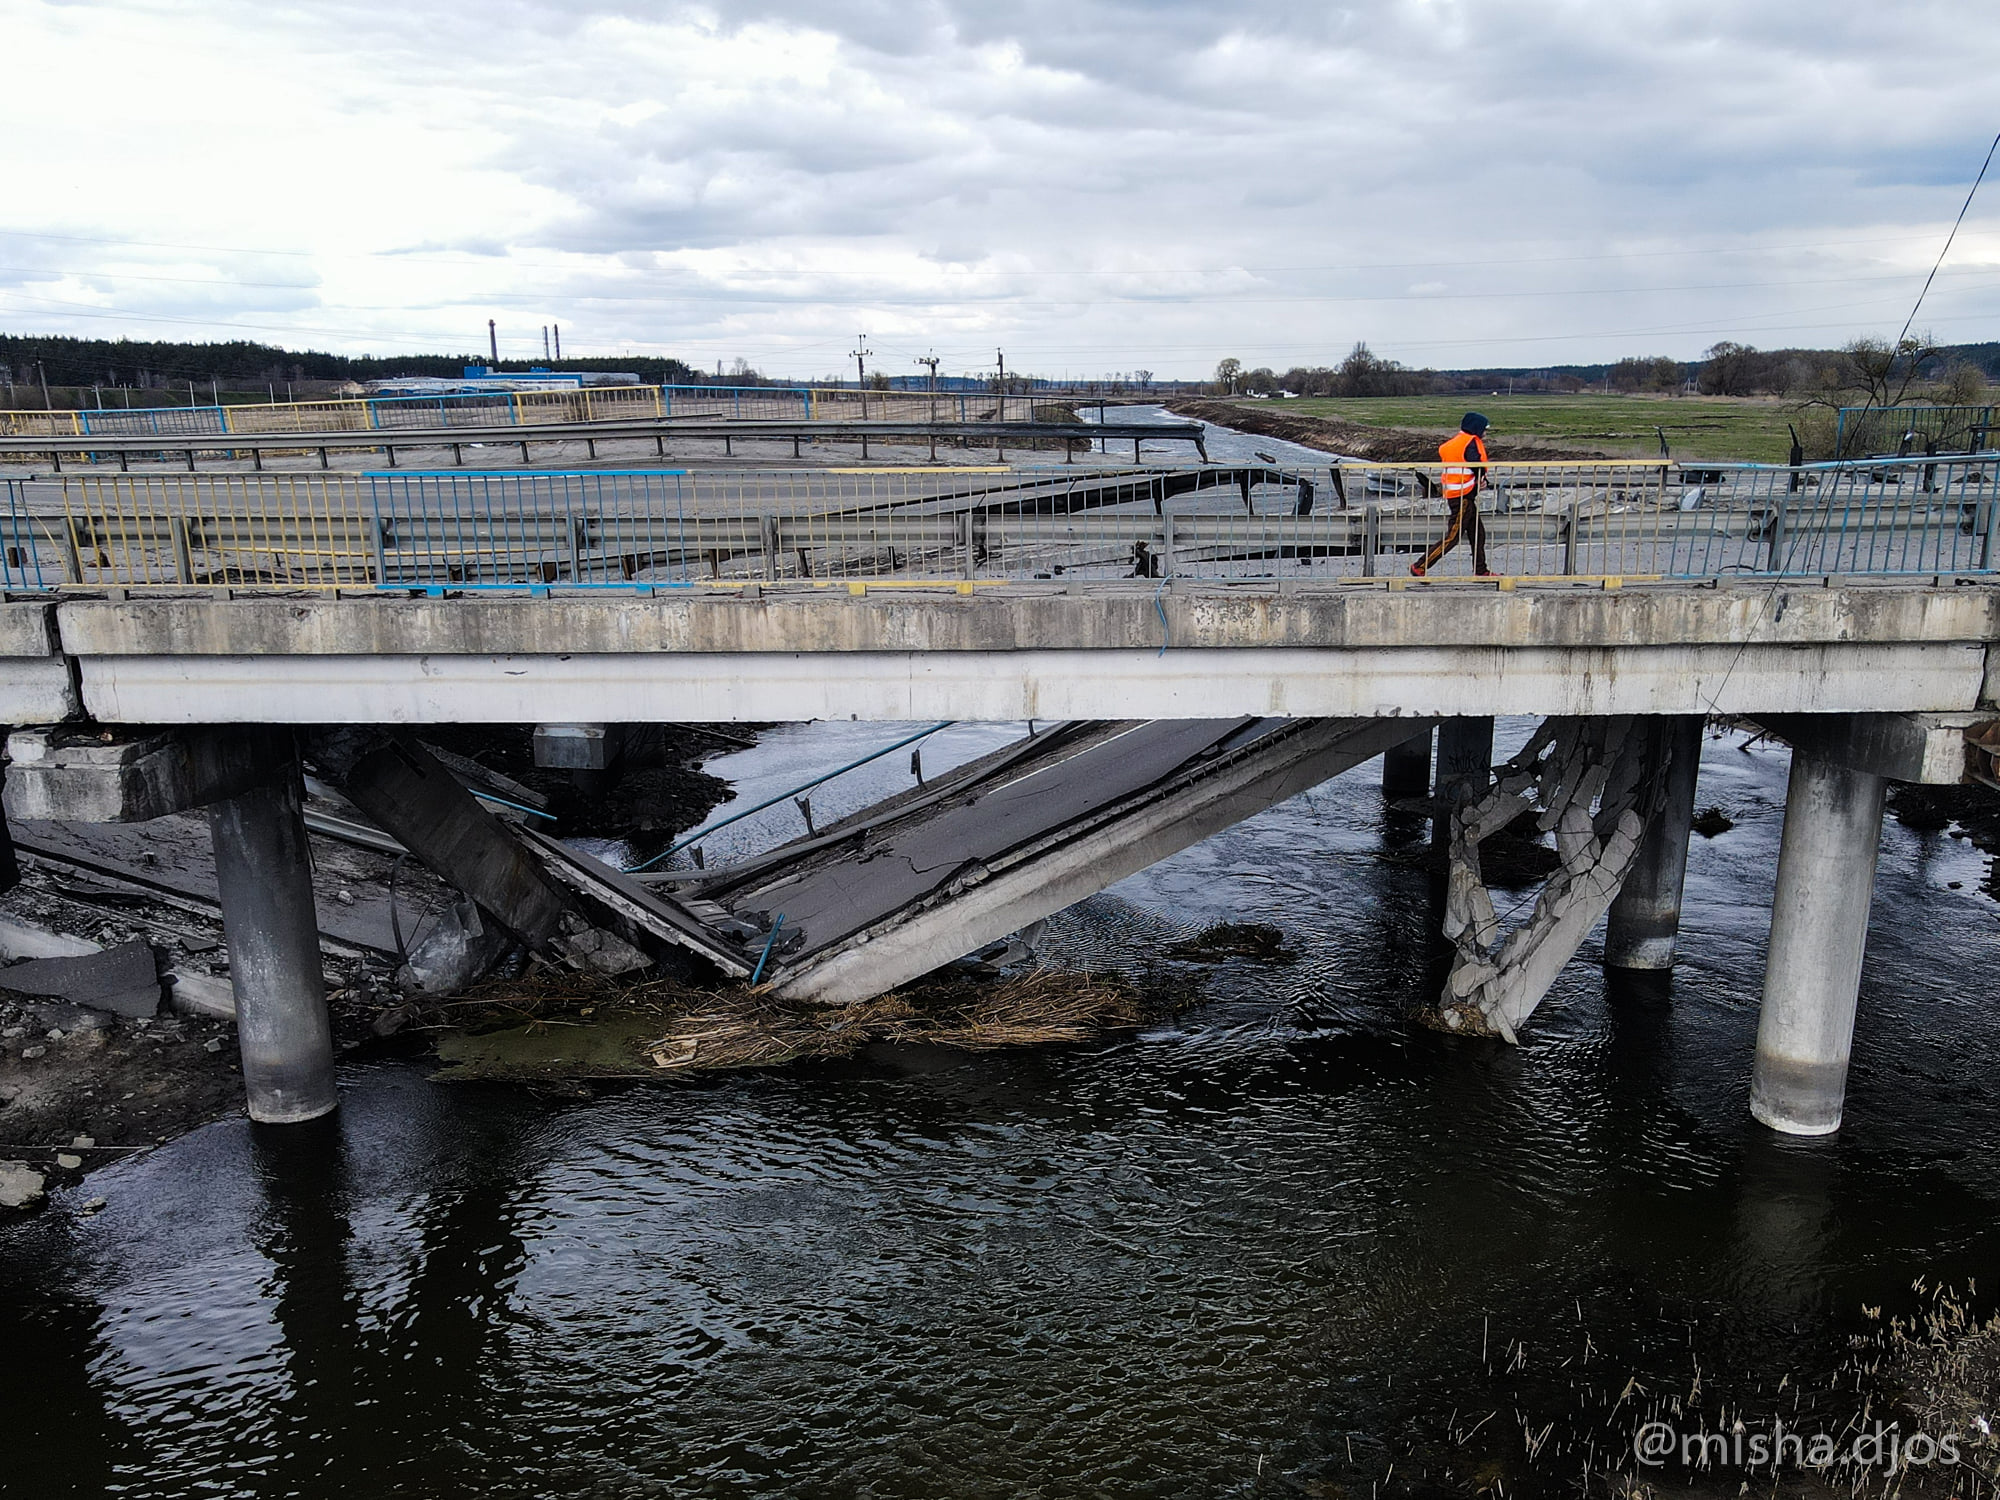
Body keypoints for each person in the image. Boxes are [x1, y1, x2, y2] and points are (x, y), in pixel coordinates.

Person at [1411, 411, 1493, 577]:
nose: (1486, 432)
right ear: (1476, 428)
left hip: (1459, 494)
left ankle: (1481, 570)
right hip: (1463, 495)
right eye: (1484, 429)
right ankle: (1420, 566)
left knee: (1478, 534)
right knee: (1453, 537)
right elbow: (1475, 463)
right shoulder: (1470, 442)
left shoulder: (1453, 443)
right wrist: (1482, 478)